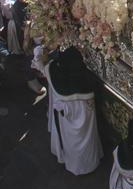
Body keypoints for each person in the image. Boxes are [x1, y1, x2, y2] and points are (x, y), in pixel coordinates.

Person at [41, 47, 102, 175]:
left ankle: (74, 164)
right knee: (87, 141)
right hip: (86, 124)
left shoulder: (56, 77)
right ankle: (89, 163)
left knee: (71, 144)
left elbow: (47, 67)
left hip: (67, 124)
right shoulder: (87, 83)